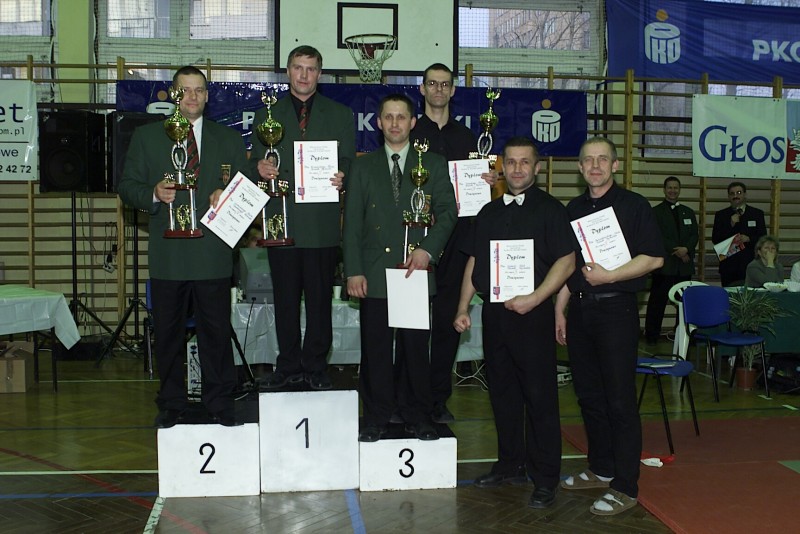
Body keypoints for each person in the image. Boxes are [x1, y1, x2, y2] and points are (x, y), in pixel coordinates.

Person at [118, 65, 250, 428]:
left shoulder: (229, 139)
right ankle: (171, 402)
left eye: (199, 90)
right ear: (174, 95)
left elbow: (246, 188)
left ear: (207, 96)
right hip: (169, 256)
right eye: (185, 90)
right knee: (169, 335)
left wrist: (228, 194)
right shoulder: (147, 137)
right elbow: (127, 187)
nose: (192, 97)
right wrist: (153, 193)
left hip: (212, 254)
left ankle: (220, 401)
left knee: (216, 333)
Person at [453, 137, 577, 509]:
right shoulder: (487, 212)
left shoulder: (551, 210)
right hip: (495, 316)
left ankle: (546, 477)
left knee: (540, 398)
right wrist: (462, 307)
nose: (518, 168)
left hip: (533, 317)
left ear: (537, 167)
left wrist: (536, 298)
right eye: (511, 162)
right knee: (502, 394)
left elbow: (567, 261)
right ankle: (510, 464)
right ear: (502, 167)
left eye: (525, 162)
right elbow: (474, 262)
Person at [554, 137, 664, 516]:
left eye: (603, 159)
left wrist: (611, 275)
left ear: (615, 165)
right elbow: (570, 266)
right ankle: (601, 468)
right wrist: (560, 310)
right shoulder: (573, 209)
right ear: (580, 167)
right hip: (581, 312)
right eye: (588, 160)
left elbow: (654, 258)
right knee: (589, 397)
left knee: (619, 401)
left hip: (617, 311)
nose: (595, 166)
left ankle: (625, 485)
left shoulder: (635, 205)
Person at [343, 94, 457, 443]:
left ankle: (417, 415)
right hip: (375, 272)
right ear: (378, 123)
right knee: (375, 349)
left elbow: (448, 213)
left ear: (412, 123)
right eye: (388, 117)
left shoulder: (433, 164)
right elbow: (352, 224)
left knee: (415, 350)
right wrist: (353, 270)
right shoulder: (363, 167)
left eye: (401, 117)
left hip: (413, 271)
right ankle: (376, 416)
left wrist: (427, 251)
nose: (395, 123)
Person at [253, 45, 356, 391]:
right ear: (288, 71)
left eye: (311, 69)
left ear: (319, 74)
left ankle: (315, 366)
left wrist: (343, 175)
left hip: (321, 224)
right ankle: (287, 365)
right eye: (298, 67)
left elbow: (349, 162)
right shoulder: (267, 114)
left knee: (319, 301)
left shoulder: (340, 114)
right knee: (284, 301)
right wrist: (259, 167)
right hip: (281, 222)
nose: (304, 75)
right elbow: (254, 163)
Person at [410, 63, 496, 424]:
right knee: (413, 324)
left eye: (445, 84)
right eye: (432, 83)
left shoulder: (469, 138)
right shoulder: (411, 133)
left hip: (459, 241)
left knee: (448, 322)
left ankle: (437, 398)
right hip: (417, 240)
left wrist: (489, 181)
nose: (439, 90)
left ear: (453, 90)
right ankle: (411, 396)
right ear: (422, 88)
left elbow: (480, 191)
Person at [644, 176, 698, 344]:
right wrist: (678, 250)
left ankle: (682, 336)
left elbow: (694, 235)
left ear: (679, 190)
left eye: (675, 188)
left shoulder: (688, 212)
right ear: (664, 190)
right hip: (665, 266)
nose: (672, 191)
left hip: (684, 266)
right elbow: (657, 236)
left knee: (684, 304)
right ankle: (652, 336)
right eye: (670, 187)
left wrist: (686, 249)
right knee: (657, 303)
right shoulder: (656, 212)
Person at [712, 182, 766, 287]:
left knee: (752, 295)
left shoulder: (757, 214)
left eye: (739, 193)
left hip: (751, 265)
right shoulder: (721, 215)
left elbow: (763, 238)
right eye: (732, 193)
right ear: (728, 196)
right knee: (729, 295)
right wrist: (730, 224)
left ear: (745, 194)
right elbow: (716, 239)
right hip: (728, 266)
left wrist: (749, 238)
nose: (735, 196)